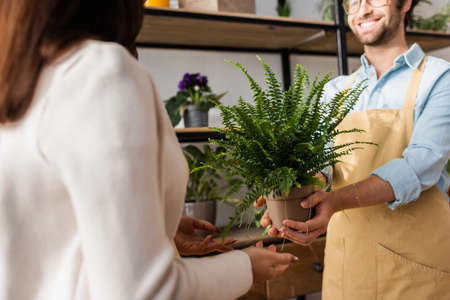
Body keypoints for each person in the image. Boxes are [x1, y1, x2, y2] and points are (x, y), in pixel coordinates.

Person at [0, 1, 298, 299]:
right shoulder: (100, 72)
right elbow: (143, 292)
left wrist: (156, 228)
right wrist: (244, 266)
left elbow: (48, 224)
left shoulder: (19, 78)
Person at [256, 0, 450, 299]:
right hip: (347, 268)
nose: (362, 9)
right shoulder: (335, 91)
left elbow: (420, 165)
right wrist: (292, 197)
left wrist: (336, 201)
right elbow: (321, 169)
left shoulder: (439, 78)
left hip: (417, 270)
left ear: (406, 3)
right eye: (353, 1)